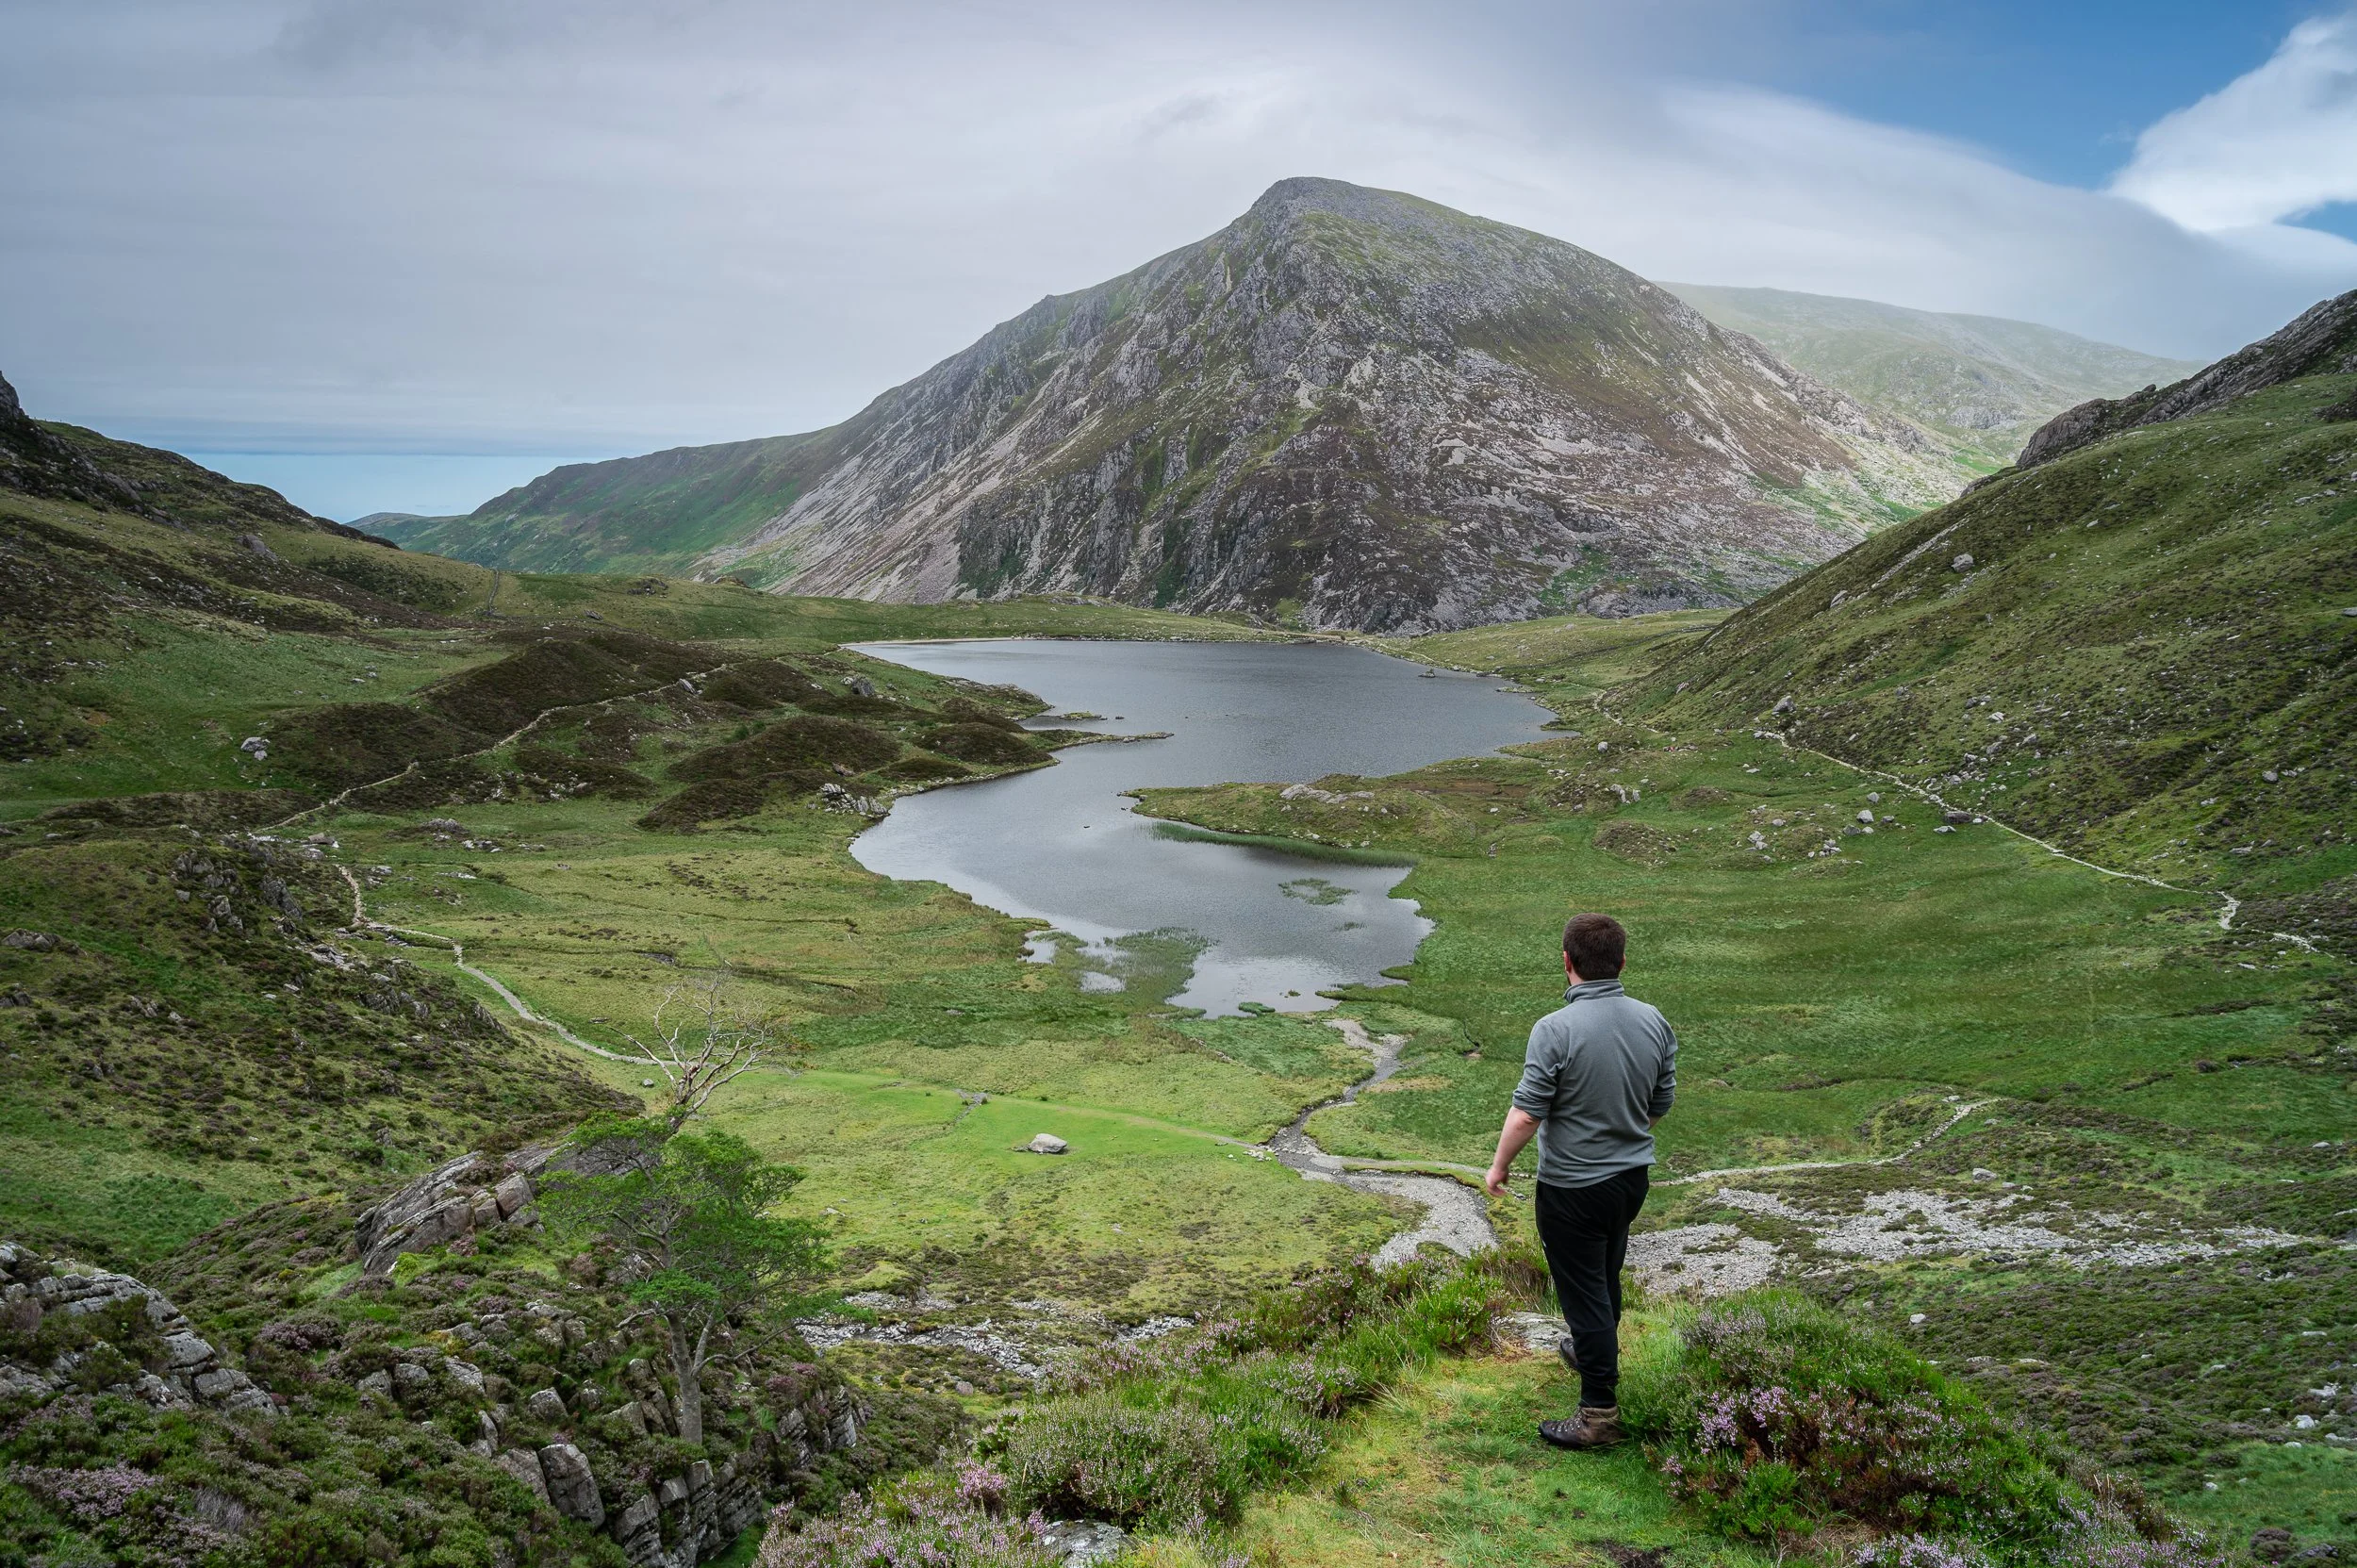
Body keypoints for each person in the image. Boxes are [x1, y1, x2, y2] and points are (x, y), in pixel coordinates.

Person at [1484, 912, 1676, 1450]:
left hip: (1572, 1188)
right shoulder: (1653, 1020)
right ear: (1621, 962)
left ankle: (1599, 1414)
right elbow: (1660, 1102)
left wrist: (1498, 1168)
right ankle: (1593, 1349)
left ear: (1567, 962)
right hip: (1630, 1179)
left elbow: (1527, 1114)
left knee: (1583, 1291)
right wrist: (1623, 1136)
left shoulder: (1554, 1029)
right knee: (1606, 1270)